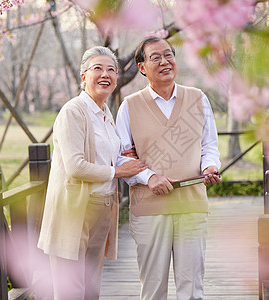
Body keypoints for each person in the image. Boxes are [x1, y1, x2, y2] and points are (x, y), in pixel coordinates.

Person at [115, 36, 222, 300]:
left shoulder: (198, 99)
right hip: (150, 209)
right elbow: (119, 159)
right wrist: (149, 177)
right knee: (153, 291)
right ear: (141, 68)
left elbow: (210, 145)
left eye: (169, 55)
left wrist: (210, 166)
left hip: (191, 205)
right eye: (155, 57)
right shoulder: (129, 106)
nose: (165, 61)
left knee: (192, 289)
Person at [37, 46, 146, 300]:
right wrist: (117, 171)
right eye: (97, 68)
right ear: (83, 76)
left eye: (111, 70)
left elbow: (107, 154)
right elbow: (76, 166)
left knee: (91, 290)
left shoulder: (106, 113)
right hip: (75, 210)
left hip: (103, 209)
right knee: (70, 291)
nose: (105, 74)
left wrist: (124, 160)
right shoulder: (73, 111)